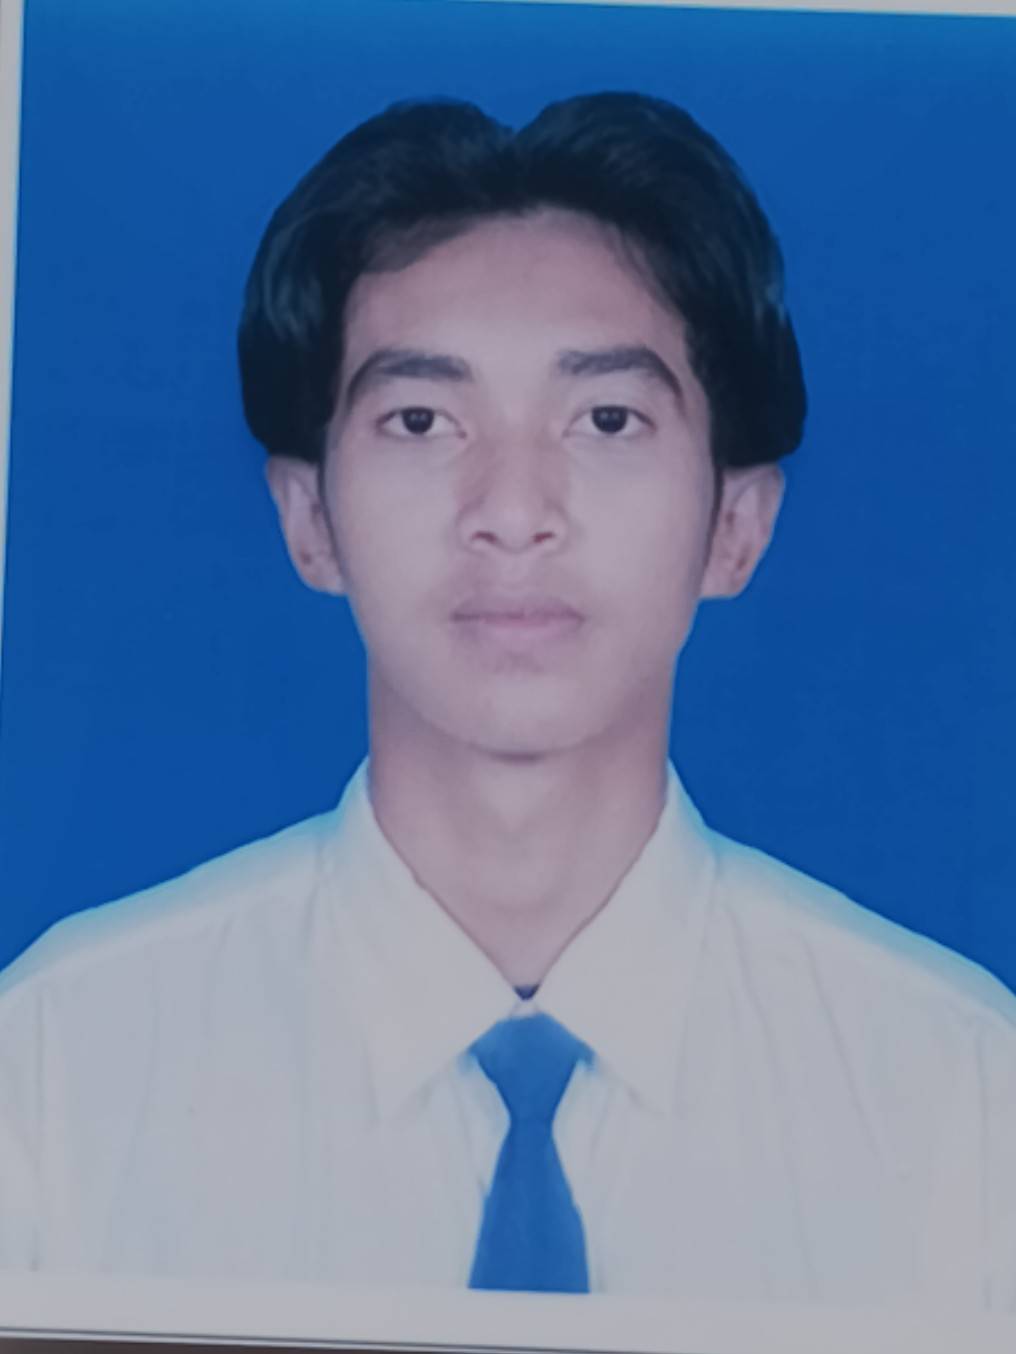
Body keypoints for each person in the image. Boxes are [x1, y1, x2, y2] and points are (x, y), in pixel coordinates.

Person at [0, 92, 1013, 1306]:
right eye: (422, 420)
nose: (514, 510)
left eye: (605, 419)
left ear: (734, 526)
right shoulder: (58, 1069)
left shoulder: (960, 1102)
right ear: (308, 518)